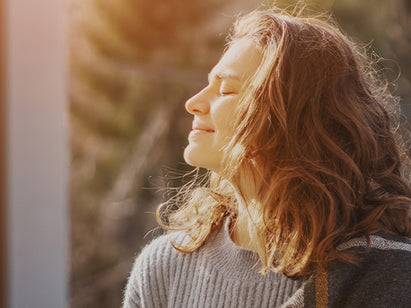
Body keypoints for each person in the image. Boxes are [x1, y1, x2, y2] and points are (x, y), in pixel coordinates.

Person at [123, 8, 411, 308]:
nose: (193, 103)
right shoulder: (163, 269)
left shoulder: (385, 272)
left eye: (225, 89)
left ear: (293, 119)